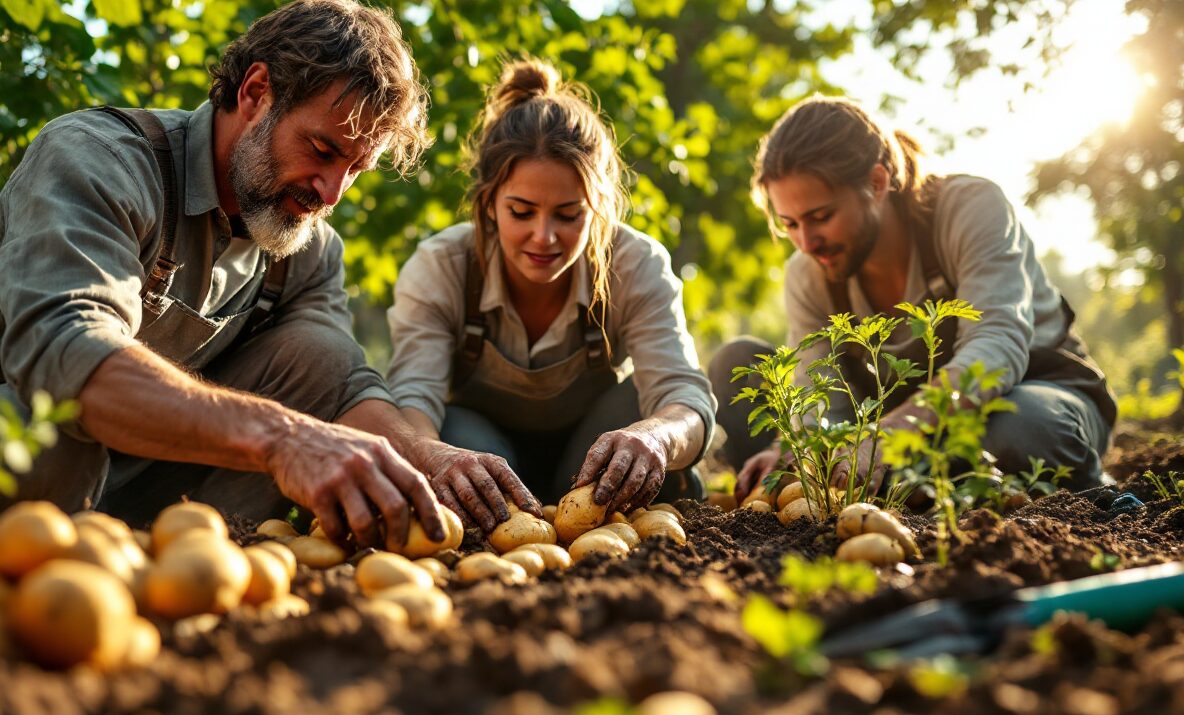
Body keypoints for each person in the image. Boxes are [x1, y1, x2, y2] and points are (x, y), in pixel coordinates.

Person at [0, 0, 534, 549]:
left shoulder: (306, 246)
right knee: (49, 439)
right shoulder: (99, 162)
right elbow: (67, 358)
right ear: (255, 94)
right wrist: (283, 439)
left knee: (321, 353)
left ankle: (187, 568)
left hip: (138, 473)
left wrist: (428, 456)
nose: (331, 192)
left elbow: (339, 385)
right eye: (322, 150)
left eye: (355, 169)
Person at [709, 95, 1116, 501]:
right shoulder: (807, 273)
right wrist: (790, 449)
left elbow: (996, 348)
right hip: (901, 431)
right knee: (735, 363)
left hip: (1035, 394)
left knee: (1021, 428)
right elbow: (823, 399)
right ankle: (917, 491)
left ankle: (1085, 493)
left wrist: (886, 435)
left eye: (821, 217)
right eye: (789, 224)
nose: (806, 242)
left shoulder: (970, 209)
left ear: (876, 183)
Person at [386, 60, 716, 529]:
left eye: (568, 215)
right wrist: (437, 458)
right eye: (521, 212)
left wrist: (656, 438)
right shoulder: (442, 266)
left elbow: (684, 395)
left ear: (598, 207)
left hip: (590, 453)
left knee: (642, 407)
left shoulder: (634, 263)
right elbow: (413, 398)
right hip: (480, 444)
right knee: (452, 435)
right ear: (488, 203)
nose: (544, 237)